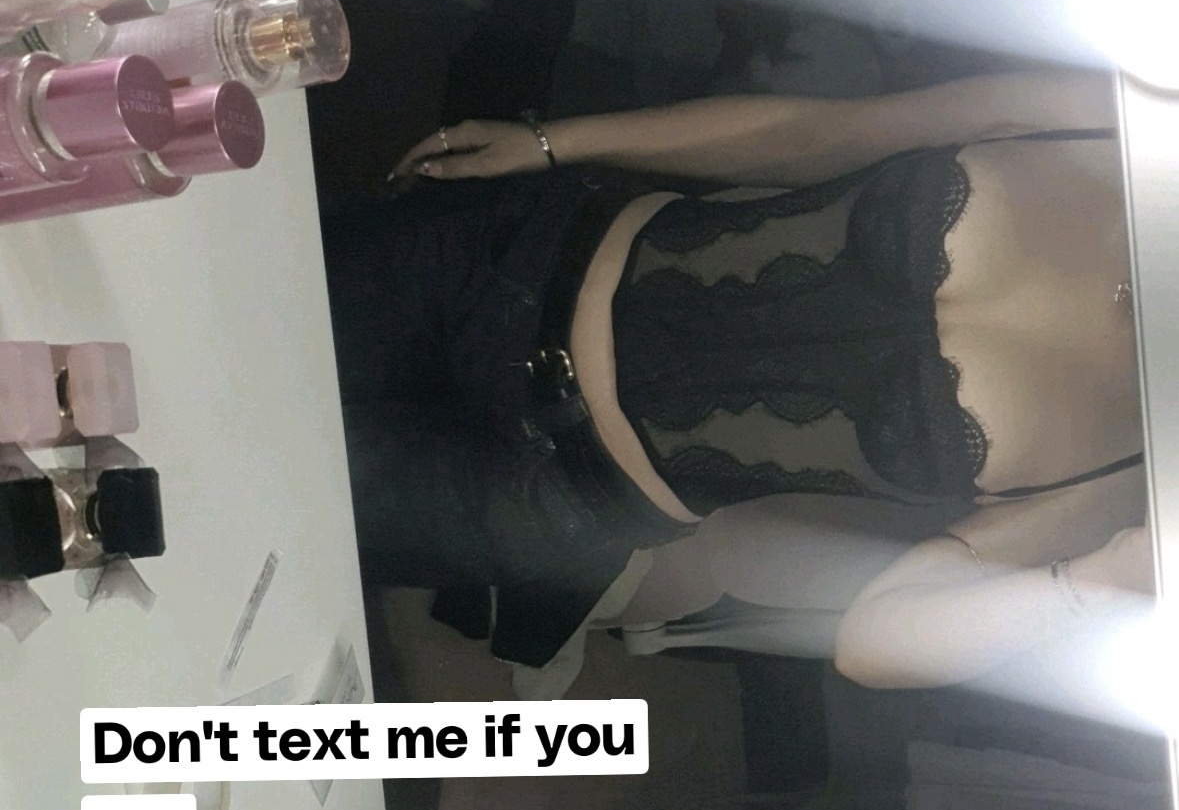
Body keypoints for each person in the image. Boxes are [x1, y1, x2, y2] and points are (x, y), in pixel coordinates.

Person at [322, 67, 1154, 699]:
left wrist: (1103, 583)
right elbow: (816, 135)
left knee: (268, 519)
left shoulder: (1124, 486)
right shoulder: (1103, 117)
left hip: (538, 492)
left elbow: (872, 641)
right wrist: (553, 142)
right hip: (504, 260)